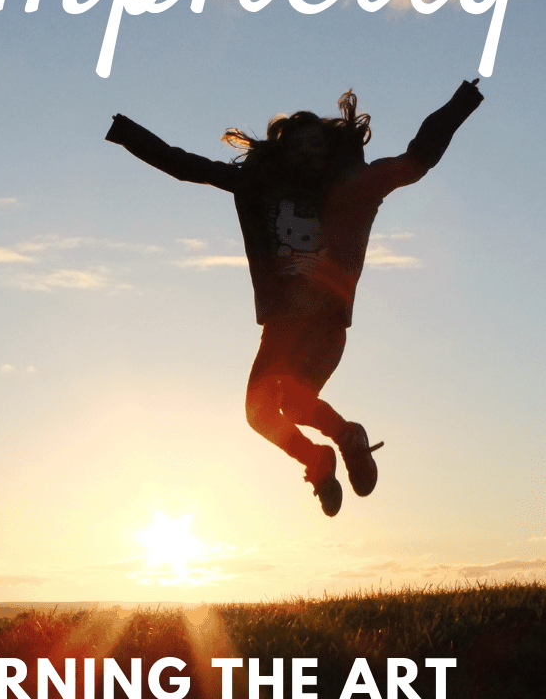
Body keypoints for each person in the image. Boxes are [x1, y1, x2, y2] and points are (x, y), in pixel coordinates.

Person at [105, 78, 483, 516]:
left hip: (325, 323)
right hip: (282, 328)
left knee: (291, 403)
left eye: (315, 142)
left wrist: (461, 102)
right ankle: (325, 454)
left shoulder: (358, 186)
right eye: (295, 144)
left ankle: (343, 440)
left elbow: (416, 160)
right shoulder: (257, 188)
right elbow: (187, 165)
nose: (306, 150)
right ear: (281, 153)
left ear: (330, 149)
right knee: (263, 412)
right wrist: (126, 132)